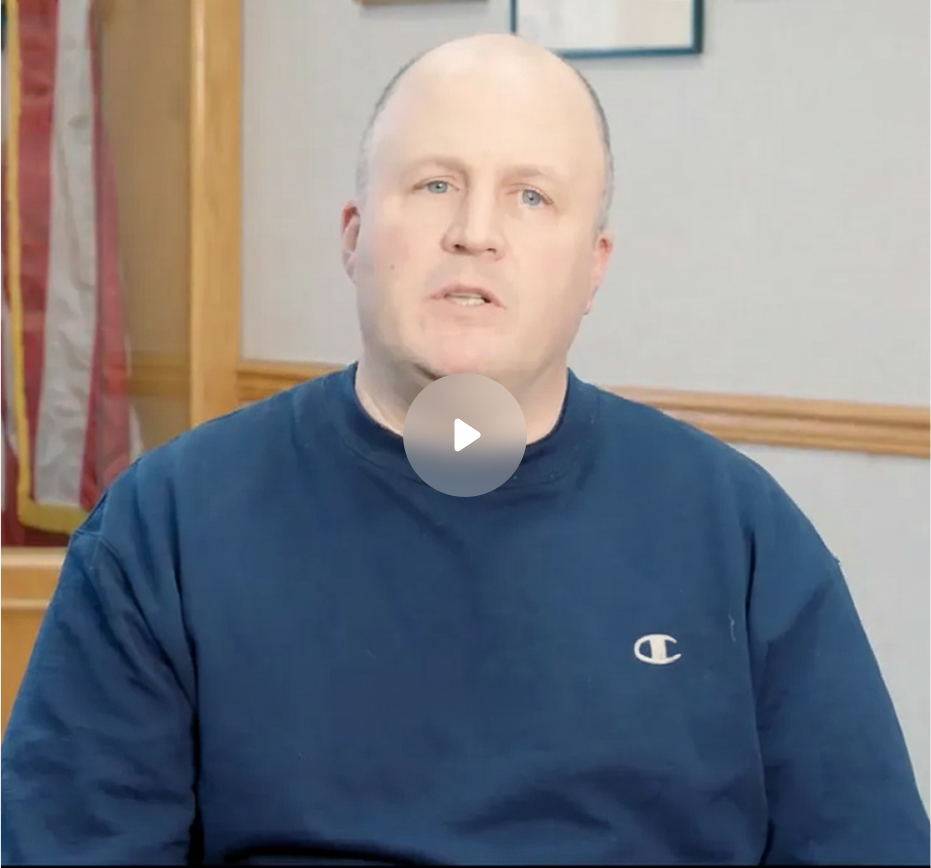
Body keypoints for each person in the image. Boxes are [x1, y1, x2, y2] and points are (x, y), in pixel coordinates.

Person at [2, 33, 928, 865]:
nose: (475, 233)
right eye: (435, 184)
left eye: (530, 196)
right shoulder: (165, 527)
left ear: (593, 266)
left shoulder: (739, 533)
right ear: (354, 235)